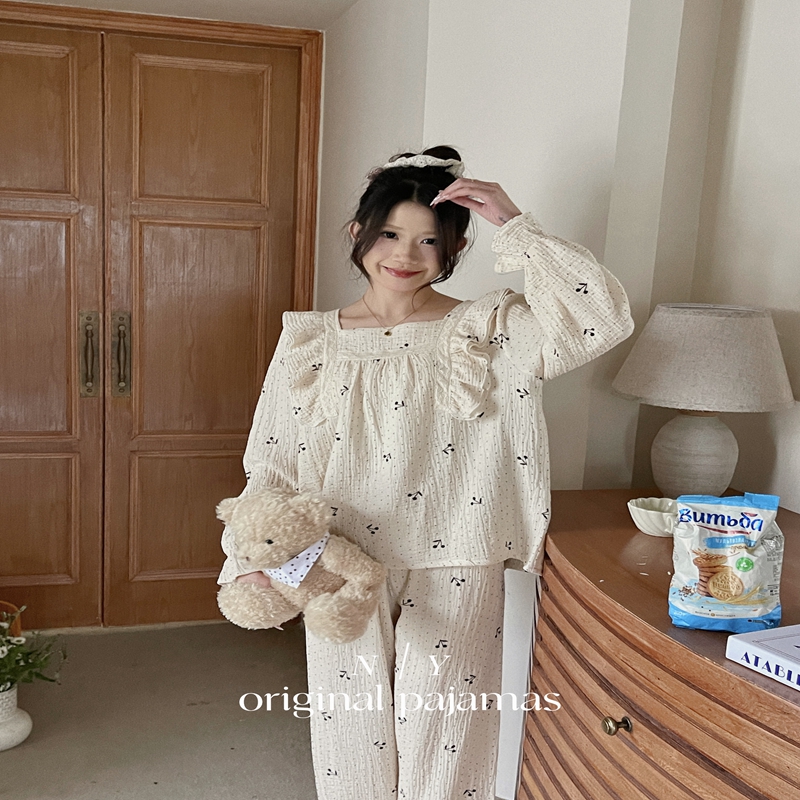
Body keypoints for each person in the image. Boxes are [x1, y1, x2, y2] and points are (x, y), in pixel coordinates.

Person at [217, 146, 634, 800]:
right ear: (358, 232)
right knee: (349, 735)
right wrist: (247, 558)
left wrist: (515, 223)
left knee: (448, 739)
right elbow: (271, 458)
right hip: (334, 557)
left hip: (459, 552)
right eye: (390, 234)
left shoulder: (491, 328)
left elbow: (600, 320)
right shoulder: (309, 340)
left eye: (429, 240)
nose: (405, 255)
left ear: (455, 247)